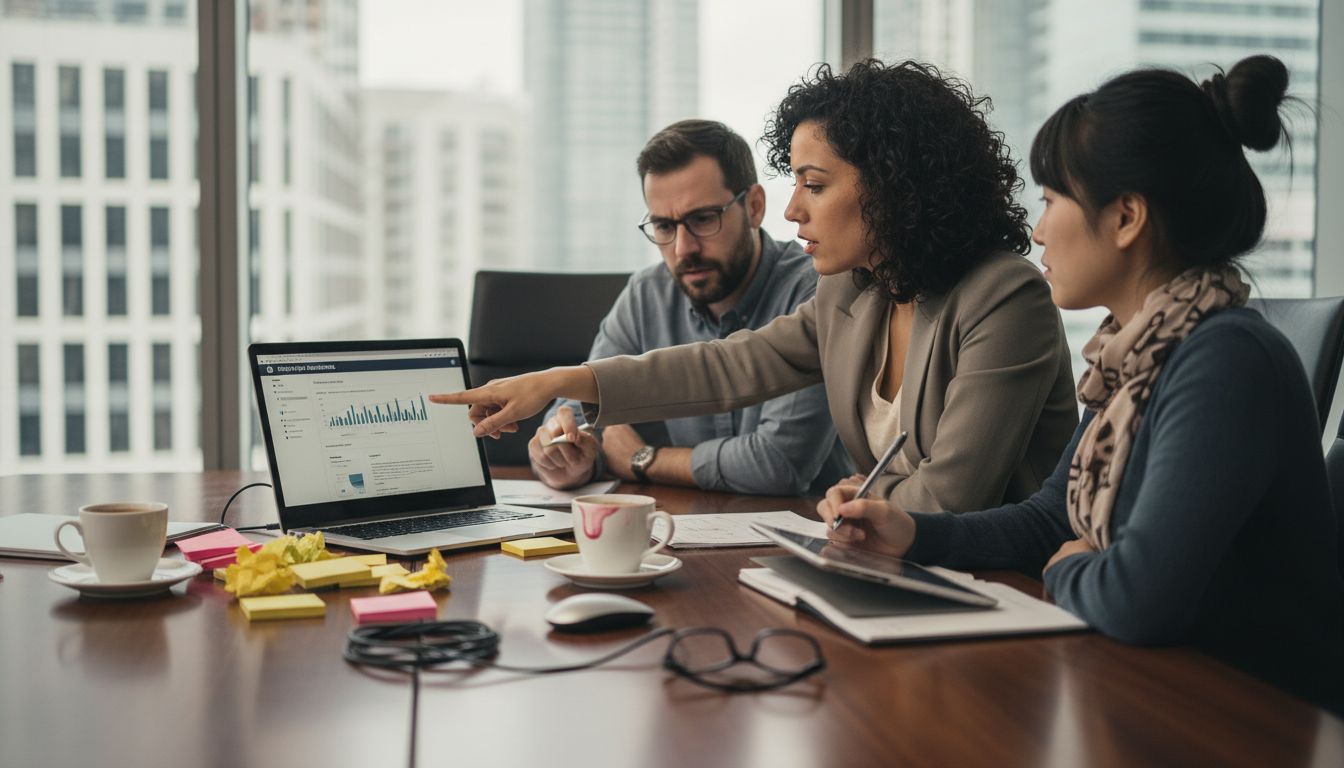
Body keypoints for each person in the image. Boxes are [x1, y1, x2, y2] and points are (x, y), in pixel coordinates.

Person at [816, 55, 1344, 713]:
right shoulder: (1136, 355)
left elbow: (1135, 599)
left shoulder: (1225, 360)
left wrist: (1069, 565)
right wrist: (913, 534)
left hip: (1246, 716)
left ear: (1125, 218)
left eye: (1052, 199)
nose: (1036, 229)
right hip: (1151, 691)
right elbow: (1049, 521)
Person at [433, 60, 1079, 513]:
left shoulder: (1003, 296)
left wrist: (856, 508)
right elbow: (726, 368)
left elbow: (951, 496)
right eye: (794, 183)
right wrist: (561, 383)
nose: (796, 209)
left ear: (895, 189)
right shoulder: (856, 294)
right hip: (903, 579)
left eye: (815, 185)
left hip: (1003, 598)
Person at [532, 120, 852, 496]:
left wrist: (645, 458)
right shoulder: (647, 294)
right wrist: (565, 454)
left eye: (702, 219)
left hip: (809, 536)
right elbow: (584, 410)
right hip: (686, 532)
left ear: (754, 207)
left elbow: (777, 463)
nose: (683, 249)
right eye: (664, 226)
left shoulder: (815, 290)